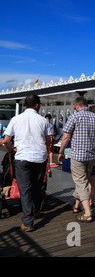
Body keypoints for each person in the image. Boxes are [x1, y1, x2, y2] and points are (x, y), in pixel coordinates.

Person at [3, 94, 51, 232]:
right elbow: (48, 141)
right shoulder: (43, 121)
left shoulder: (16, 119)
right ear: (37, 105)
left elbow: (6, 140)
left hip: (22, 157)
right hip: (39, 158)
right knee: (37, 186)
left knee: (25, 189)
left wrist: (12, 150)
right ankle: (35, 211)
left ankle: (28, 221)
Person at [58, 97, 95, 223]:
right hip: (92, 156)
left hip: (78, 156)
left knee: (81, 183)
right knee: (82, 181)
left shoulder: (74, 117)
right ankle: (76, 205)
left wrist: (61, 152)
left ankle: (88, 213)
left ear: (77, 105)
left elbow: (66, 136)